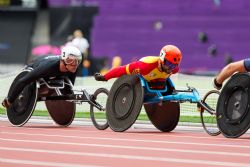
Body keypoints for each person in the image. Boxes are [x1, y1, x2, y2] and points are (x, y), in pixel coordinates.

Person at [2, 46, 82, 109]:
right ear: (63, 59)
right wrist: (10, 100)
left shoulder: (73, 68)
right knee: (29, 82)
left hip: (51, 71)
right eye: (70, 60)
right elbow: (22, 81)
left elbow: (68, 91)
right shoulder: (47, 67)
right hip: (37, 65)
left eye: (77, 60)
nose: (74, 64)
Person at [94, 45, 182, 90]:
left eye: (174, 65)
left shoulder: (174, 69)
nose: (171, 68)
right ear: (162, 60)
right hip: (141, 81)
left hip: (158, 83)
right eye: (169, 64)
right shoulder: (145, 66)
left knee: (164, 85)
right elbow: (122, 70)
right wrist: (105, 77)